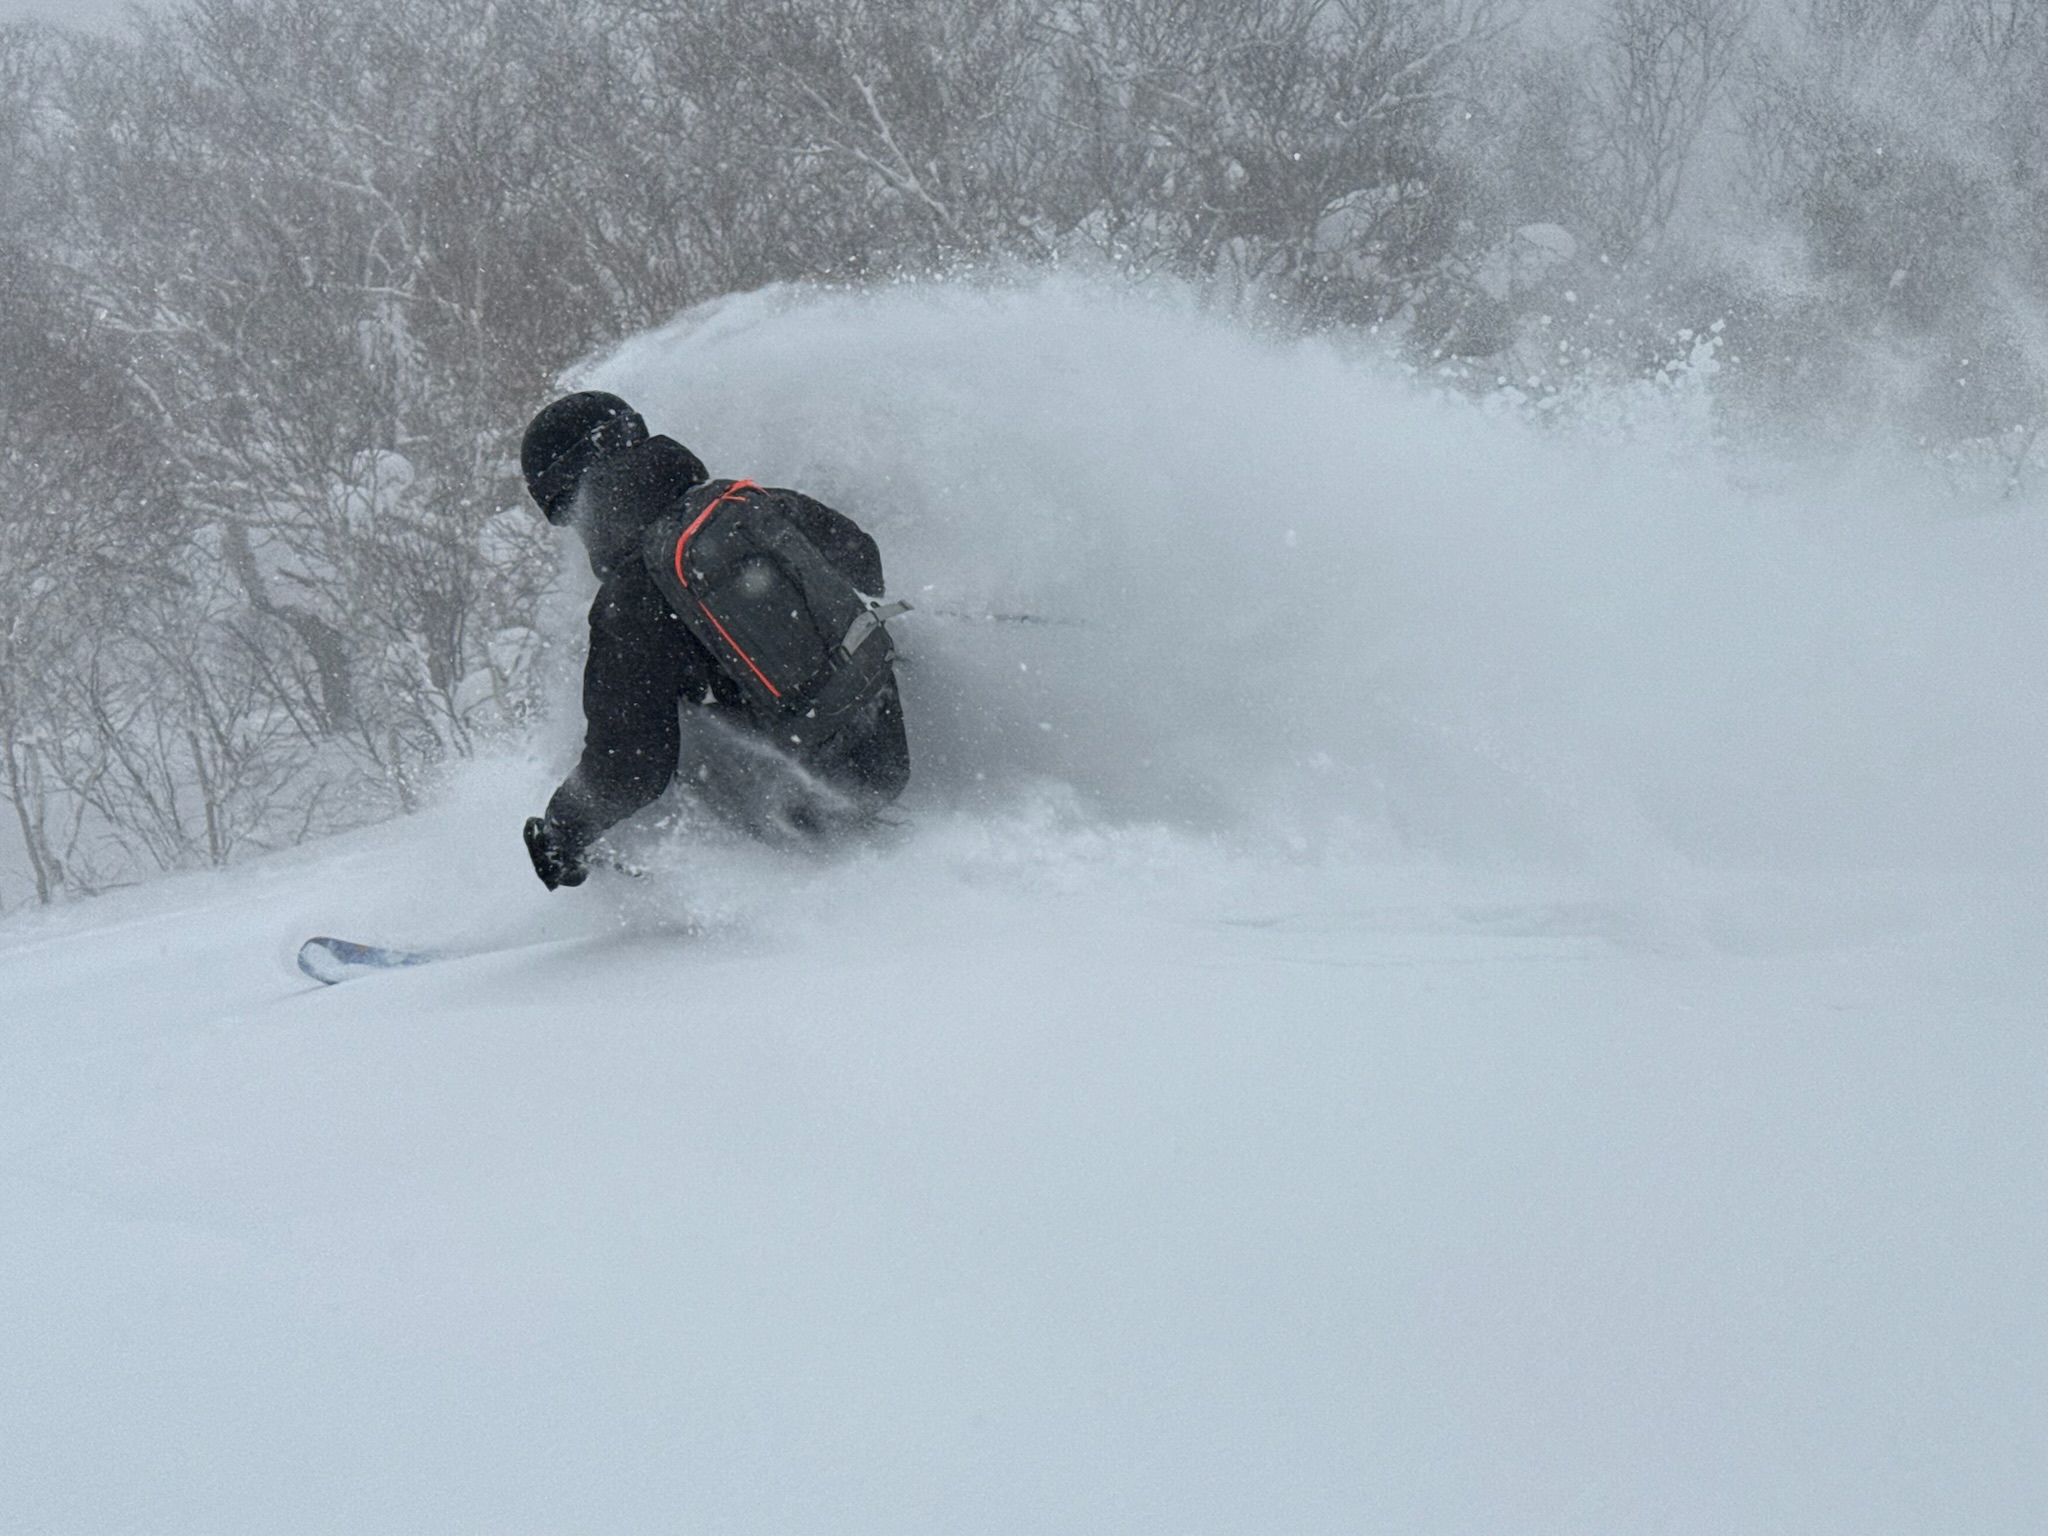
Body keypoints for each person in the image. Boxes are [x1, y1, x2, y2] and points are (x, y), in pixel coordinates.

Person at [517, 391, 909, 890]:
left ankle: (756, 893)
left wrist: (562, 830)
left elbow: (631, 768)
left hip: (811, 806)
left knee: (686, 736)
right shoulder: (750, 502)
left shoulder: (633, 599)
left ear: (578, 498)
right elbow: (862, 560)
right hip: (886, 739)